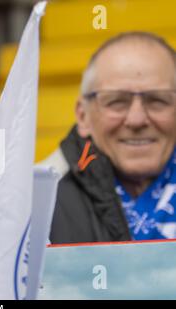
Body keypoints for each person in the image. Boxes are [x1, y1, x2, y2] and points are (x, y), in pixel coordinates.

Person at [44, 32, 176, 243]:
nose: (137, 119)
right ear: (83, 116)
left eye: (157, 100)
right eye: (116, 101)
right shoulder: (37, 202)